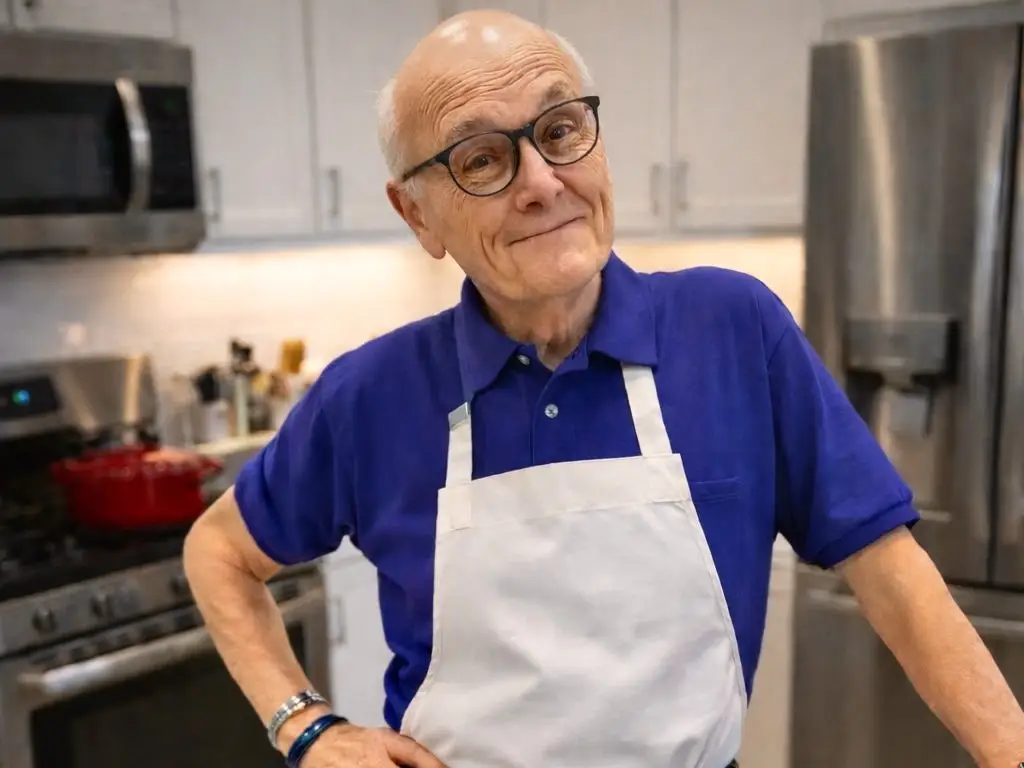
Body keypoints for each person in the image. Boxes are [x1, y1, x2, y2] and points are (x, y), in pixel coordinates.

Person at [182, 9, 1024, 768]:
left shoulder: (733, 331)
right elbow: (219, 552)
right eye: (482, 158)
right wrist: (306, 726)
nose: (542, 181)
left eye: (560, 128)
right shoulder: (370, 396)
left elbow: (891, 573)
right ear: (418, 217)